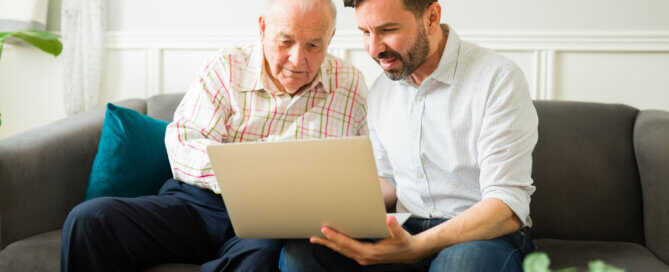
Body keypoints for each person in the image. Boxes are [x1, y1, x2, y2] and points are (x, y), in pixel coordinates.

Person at [60, 0, 368, 271]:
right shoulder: (226, 66)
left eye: (314, 45)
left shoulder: (349, 84)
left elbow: (367, 166)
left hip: (272, 224)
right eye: (285, 41)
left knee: (265, 256)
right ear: (262, 29)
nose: (298, 59)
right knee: (90, 219)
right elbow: (184, 142)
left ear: (331, 38)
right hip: (197, 205)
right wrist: (246, 175)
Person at [279, 0, 539, 271]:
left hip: (481, 236)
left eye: (388, 30)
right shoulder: (382, 89)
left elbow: (507, 205)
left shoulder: (497, 78)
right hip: (405, 228)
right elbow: (388, 180)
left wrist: (417, 247)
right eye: (365, 32)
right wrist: (329, 203)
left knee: (460, 263)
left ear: (431, 17)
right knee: (302, 253)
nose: (373, 49)